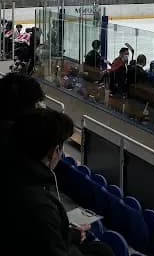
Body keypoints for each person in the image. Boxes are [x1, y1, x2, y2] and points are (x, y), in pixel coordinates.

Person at [4, 109, 115, 256]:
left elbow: (41, 235)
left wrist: (71, 234)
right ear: (54, 152)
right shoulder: (41, 206)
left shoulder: (11, 173)